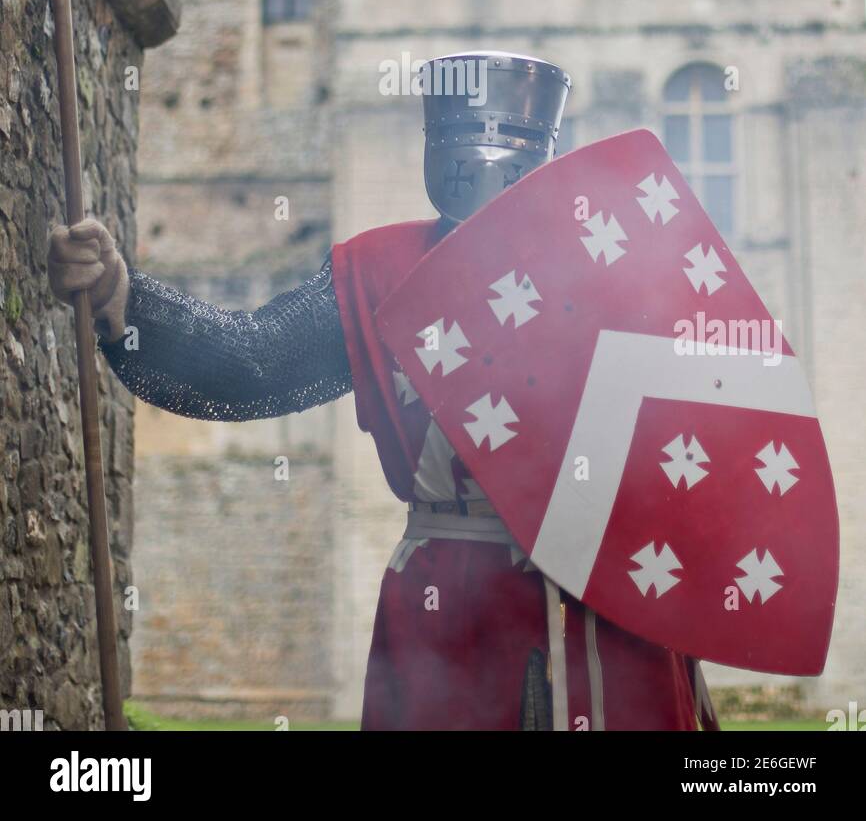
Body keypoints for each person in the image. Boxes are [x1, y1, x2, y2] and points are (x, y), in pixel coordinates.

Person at [48, 50, 718, 732]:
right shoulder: (381, 271)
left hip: (611, 595)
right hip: (452, 609)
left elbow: (698, 446)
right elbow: (253, 362)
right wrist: (121, 297)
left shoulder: (617, 260)